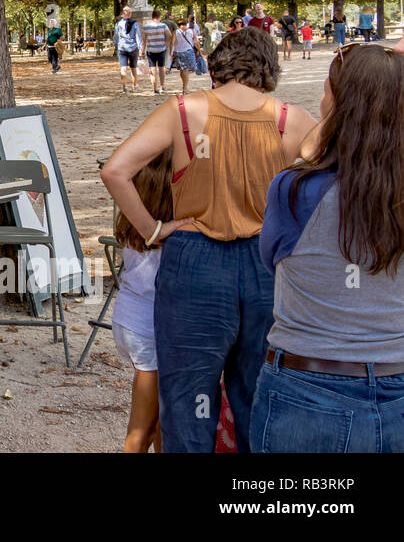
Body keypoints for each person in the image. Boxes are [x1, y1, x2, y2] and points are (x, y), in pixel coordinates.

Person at [99, 28, 317, 452]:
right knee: (257, 396)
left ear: (219, 63)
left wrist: (153, 229)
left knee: (187, 401)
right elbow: (333, 179)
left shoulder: (184, 111)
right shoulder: (292, 119)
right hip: (262, 265)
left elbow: (115, 170)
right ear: (269, 67)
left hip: (194, 263)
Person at [254, 42, 404, 452]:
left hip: (308, 382)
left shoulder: (294, 192)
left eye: (326, 92)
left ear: (339, 107)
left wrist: (340, 118)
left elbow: (272, 260)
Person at [111, 147, 174, 452]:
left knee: (164, 420)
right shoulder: (173, 231)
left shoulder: (137, 221)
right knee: (141, 429)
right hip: (149, 329)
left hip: (130, 317)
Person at [140, 10, 172, 94]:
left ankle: (154, 88)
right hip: (161, 49)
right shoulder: (163, 26)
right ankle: (162, 86)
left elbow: (143, 40)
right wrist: (166, 43)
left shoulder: (146, 26)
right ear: (159, 16)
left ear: (152, 16)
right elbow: (169, 35)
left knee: (152, 69)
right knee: (161, 68)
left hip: (151, 50)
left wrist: (142, 51)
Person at [115, 6, 142, 93]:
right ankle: (134, 85)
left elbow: (116, 36)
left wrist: (117, 44)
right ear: (130, 14)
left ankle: (124, 87)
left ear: (123, 13)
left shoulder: (118, 24)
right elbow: (138, 36)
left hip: (122, 47)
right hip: (133, 48)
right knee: (133, 67)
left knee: (123, 68)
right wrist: (140, 47)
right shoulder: (135, 23)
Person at [170, 18, 201, 94]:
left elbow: (172, 43)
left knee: (182, 70)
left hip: (178, 52)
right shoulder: (191, 31)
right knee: (185, 70)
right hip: (188, 51)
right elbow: (196, 42)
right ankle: (185, 88)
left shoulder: (176, 32)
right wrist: (199, 51)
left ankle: (184, 86)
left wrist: (170, 53)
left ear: (178, 25)